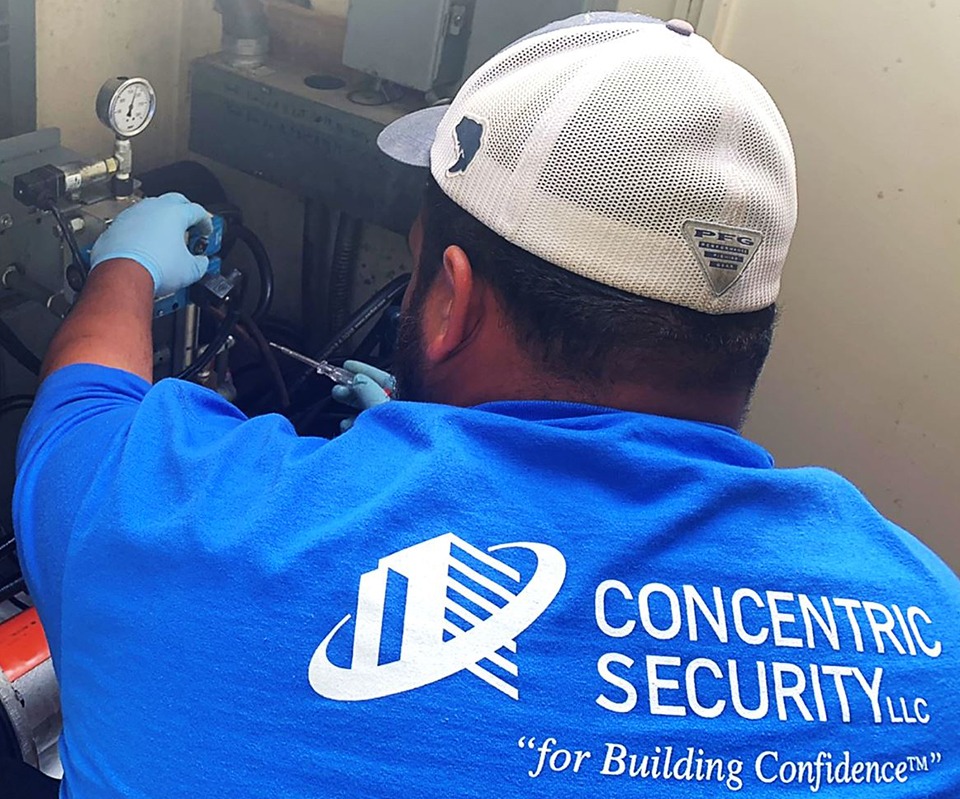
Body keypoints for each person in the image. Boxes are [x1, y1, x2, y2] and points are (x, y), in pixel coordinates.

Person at [12, 12, 960, 798]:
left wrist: (127, 260)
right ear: (745, 332)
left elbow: (78, 414)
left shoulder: (178, 520)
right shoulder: (933, 629)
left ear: (454, 299)